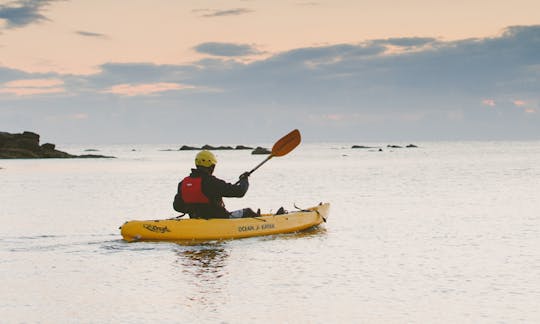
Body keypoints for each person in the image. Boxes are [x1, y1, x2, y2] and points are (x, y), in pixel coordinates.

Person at [173, 150, 258, 219]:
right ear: (211, 166)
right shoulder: (211, 182)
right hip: (220, 220)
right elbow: (240, 192)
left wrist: (195, 209)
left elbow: (177, 206)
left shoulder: (183, 183)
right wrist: (244, 180)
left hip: (196, 220)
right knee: (248, 212)